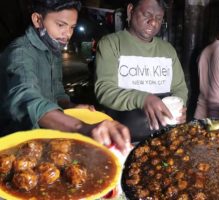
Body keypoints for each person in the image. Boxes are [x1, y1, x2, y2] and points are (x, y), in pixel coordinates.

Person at [0, 0, 130, 154]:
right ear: (37, 20)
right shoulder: (20, 53)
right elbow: (27, 99)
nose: (68, 34)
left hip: (47, 137)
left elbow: (57, 94)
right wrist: (82, 127)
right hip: (17, 145)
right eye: (61, 25)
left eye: (72, 27)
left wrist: (70, 107)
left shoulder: (52, 50)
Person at [94, 0, 188, 142]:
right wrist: (143, 98)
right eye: (147, 15)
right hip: (123, 139)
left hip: (164, 137)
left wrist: (179, 107)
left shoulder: (168, 50)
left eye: (159, 18)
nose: (154, 23)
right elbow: (104, 90)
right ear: (130, 10)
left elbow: (179, 88)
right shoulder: (111, 44)